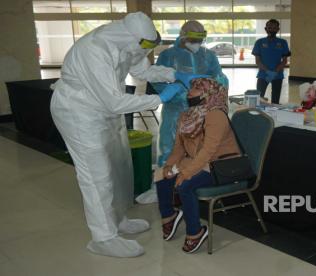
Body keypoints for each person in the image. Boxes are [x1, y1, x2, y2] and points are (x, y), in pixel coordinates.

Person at [50, 12, 186, 258]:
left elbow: (144, 71)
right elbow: (113, 102)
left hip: (103, 108)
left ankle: (117, 219)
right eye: (144, 44)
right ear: (131, 36)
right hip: (79, 111)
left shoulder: (127, 45)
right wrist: (159, 98)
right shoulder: (96, 49)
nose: (145, 49)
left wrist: (174, 74)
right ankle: (103, 237)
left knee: (117, 166)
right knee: (96, 175)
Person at [154, 78, 240, 253]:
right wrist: (169, 165)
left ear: (207, 94)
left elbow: (208, 151)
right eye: (191, 88)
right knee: (161, 174)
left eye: (195, 89)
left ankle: (195, 232)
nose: (189, 92)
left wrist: (186, 173)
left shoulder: (216, 115)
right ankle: (169, 216)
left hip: (220, 164)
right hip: (198, 161)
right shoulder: (187, 115)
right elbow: (179, 148)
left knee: (185, 185)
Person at [152, 20, 228, 167]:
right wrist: (174, 93)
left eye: (199, 40)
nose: (197, 44)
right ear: (183, 37)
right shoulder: (167, 56)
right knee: (171, 143)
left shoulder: (209, 56)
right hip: (175, 109)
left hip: (202, 109)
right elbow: (157, 80)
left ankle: (197, 174)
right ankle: (167, 176)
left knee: (202, 145)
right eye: (193, 40)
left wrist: (210, 91)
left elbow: (219, 79)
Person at [252, 19, 291, 104]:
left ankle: (274, 115)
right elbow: (257, 61)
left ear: (278, 29)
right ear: (265, 29)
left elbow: (284, 61)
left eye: (274, 28)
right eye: (269, 27)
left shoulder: (283, 43)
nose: (271, 29)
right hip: (263, 75)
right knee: (259, 98)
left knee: (275, 101)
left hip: (278, 75)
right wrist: (268, 71)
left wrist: (275, 71)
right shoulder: (259, 42)